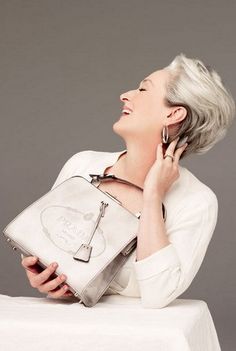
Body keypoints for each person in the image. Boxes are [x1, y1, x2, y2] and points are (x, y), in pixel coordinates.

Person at [21, 53, 235, 308]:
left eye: (143, 89)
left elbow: (158, 295)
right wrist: (44, 276)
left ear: (174, 114)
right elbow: (40, 248)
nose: (125, 94)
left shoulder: (196, 201)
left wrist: (153, 196)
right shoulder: (82, 165)